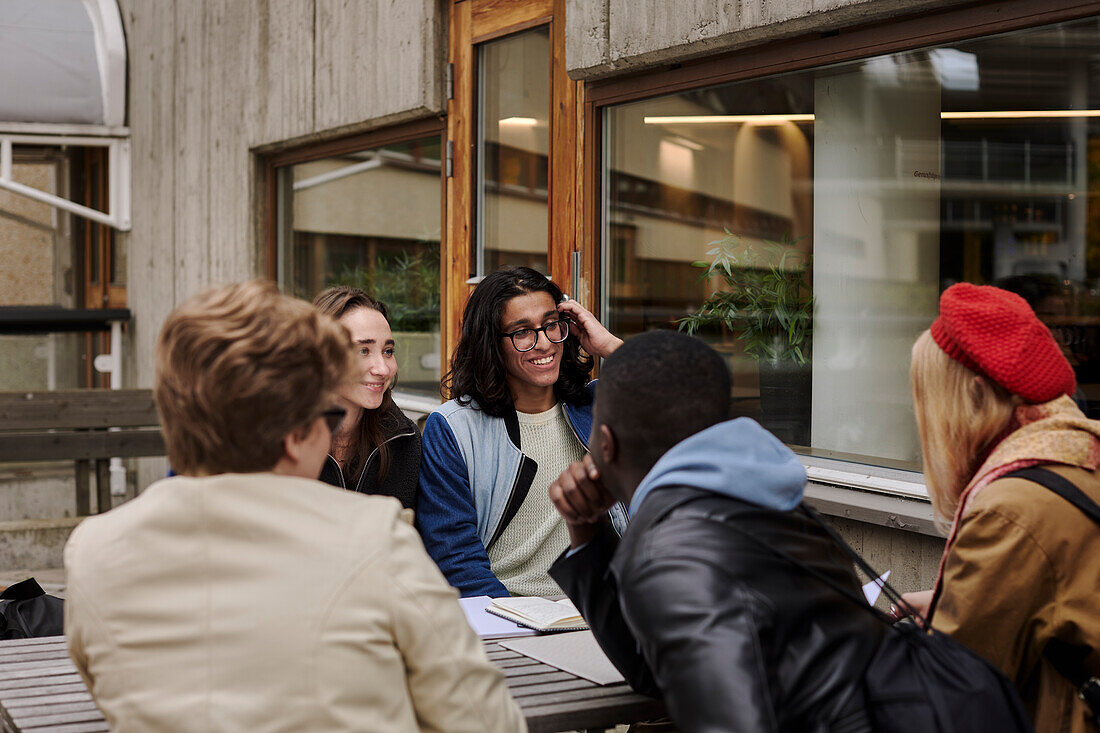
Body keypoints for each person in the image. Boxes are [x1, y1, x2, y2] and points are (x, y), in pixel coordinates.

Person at [63, 280, 525, 733]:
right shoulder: (375, 539)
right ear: (295, 433)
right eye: (327, 415)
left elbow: (110, 694)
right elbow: (484, 719)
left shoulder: (92, 549)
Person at [546, 330, 885, 732]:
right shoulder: (776, 503)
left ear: (604, 442)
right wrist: (587, 529)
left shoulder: (668, 552)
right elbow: (651, 668)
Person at [905, 282, 1100, 733]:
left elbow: (947, 695)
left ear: (973, 396)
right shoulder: (1076, 447)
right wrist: (945, 604)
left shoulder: (1007, 508)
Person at [416, 266, 626, 597]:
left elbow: (690, 411)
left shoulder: (601, 404)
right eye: (522, 332)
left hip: (603, 612)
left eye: (551, 325)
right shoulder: (453, 428)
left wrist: (611, 346)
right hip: (507, 618)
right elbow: (456, 559)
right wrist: (515, 623)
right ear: (491, 344)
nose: (544, 343)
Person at [312, 286, 421, 508]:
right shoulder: (282, 437)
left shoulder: (404, 439)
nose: (382, 369)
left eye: (388, 351)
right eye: (363, 351)